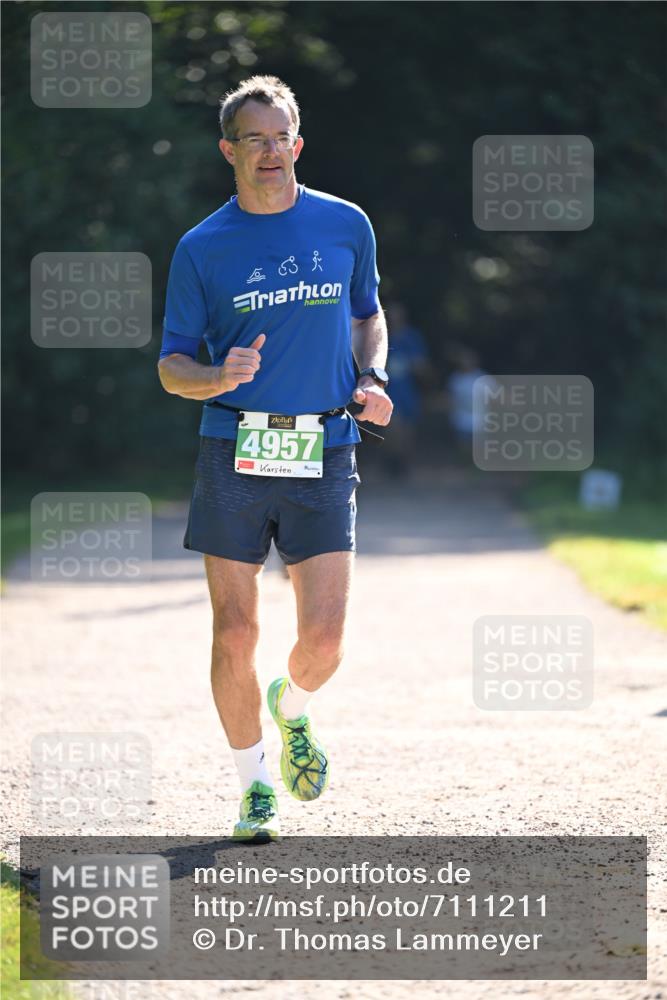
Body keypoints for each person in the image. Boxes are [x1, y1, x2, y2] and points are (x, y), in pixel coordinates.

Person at [158, 76, 392, 841]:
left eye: (280, 135)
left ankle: (289, 706)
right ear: (229, 150)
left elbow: (368, 315)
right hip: (233, 447)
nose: (270, 151)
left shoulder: (344, 223)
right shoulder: (203, 247)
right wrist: (215, 377)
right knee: (234, 632)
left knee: (322, 642)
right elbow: (171, 367)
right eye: (253, 138)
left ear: (299, 141)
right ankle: (253, 786)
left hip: (325, 446)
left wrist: (373, 377)